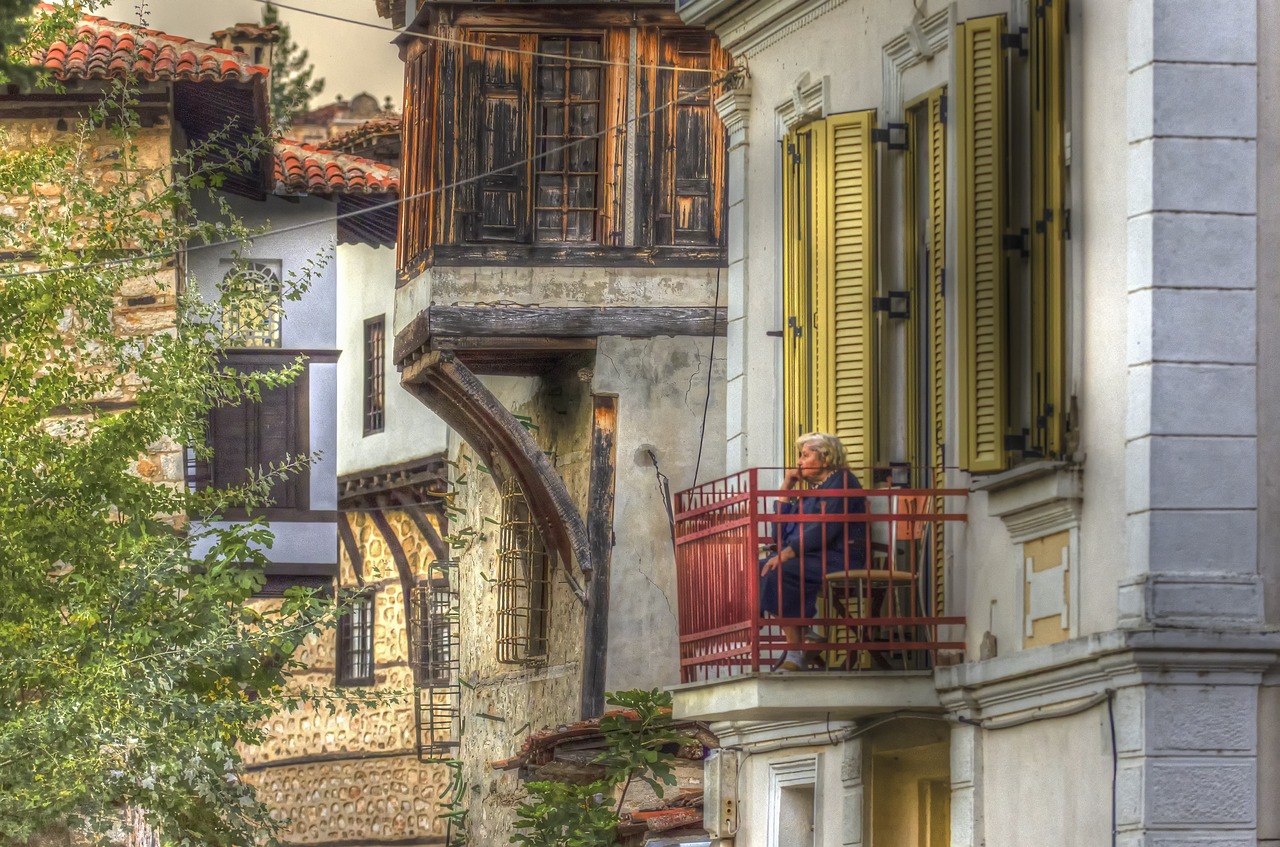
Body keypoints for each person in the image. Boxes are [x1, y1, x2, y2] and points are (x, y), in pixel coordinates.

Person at [759, 432, 867, 671]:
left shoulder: (843, 481)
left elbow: (825, 529)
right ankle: (804, 637)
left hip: (842, 558)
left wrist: (789, 552)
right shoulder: (812, 492)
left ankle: (796, 651)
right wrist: (786, 487)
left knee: (780, 569)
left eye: (805, 455)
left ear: (826, 458)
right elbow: (778, 536)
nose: (798, 462)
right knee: (762, 567)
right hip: (814, 558)